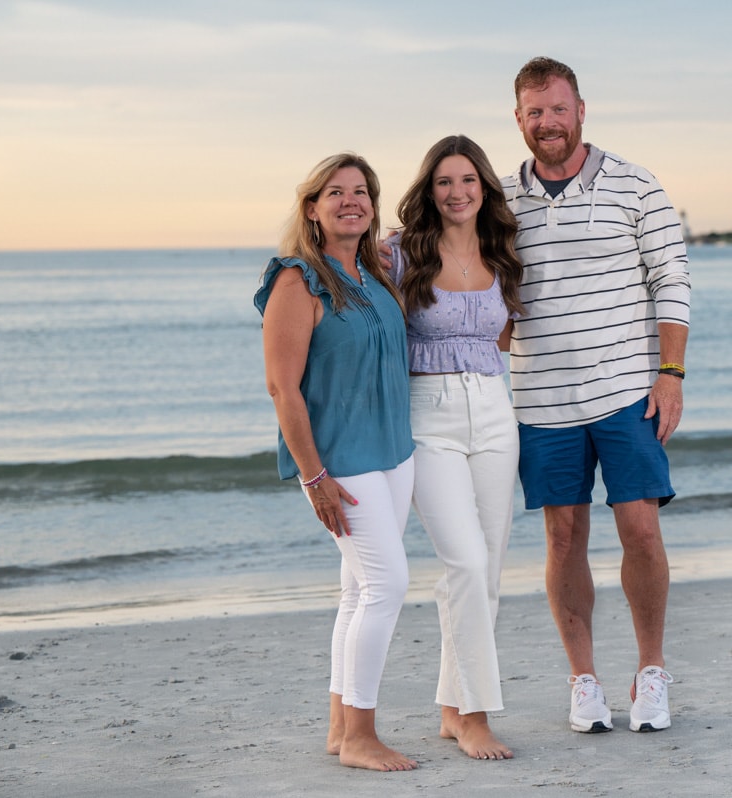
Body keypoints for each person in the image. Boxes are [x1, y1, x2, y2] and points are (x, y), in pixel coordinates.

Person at [502, 57, 691, 734]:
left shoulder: (636, 185)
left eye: (558, 109)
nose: (547, 122)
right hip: (541, 400)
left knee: (640, 528)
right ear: (518, 119)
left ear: (581, 110)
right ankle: (584, 681)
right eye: (534, 112)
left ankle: (651, 672)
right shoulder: (499, 200)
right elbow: (460, 266)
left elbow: (672, 279)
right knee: (563, 537)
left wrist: (671, 373)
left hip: (627, 391)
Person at [254, 152, 418, 772]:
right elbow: (282, 389)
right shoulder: (297, 281)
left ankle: (339, 727)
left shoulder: (376, 275)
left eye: (362, 192)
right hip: (339, 463)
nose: (351, 201)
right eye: (336, 192)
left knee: (357, 589)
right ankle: (361, 737)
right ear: (312, 208)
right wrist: (313, 475)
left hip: (394, 454)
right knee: (387, 585)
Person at [386, 135, 524, 761]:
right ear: (429, 190)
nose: (457, 192)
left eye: (468, 180)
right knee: (465, 563)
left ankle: (450, 706)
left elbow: (508, 335)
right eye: (444, 181)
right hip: (429, 416)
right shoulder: (401, 255)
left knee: (485, 570)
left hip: (494, 410)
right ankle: (474, 715)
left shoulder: (503, 253)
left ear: (484, 188)